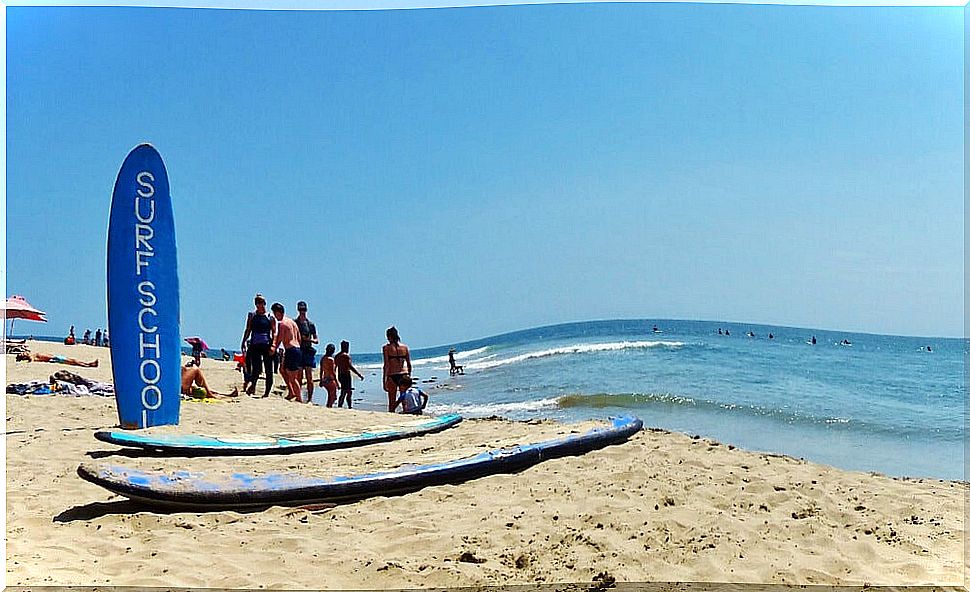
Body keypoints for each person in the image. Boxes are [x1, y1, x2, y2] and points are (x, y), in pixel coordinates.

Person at [241, 294, 277, 397]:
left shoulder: (270, 317)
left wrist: (273, 345)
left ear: (264, 304)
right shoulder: (252, 315)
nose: (259, 305)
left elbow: (274, 332)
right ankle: (253, 386)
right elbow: (248, 329)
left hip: (266, 344)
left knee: (268, 369)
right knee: (255, 368)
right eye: (257, 303)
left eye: (261, 302)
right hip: (255, 344)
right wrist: (243, 341)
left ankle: (266, 393)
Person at [271, 302, 304, 402]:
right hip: (296, 349)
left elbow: (279, 338)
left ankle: (299, 398)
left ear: (277, 313)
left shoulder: (282, 323)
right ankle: (291, 392)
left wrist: (273, 349)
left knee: (292, 377)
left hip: (292, 349)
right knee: (282, 370)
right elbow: (299, 338)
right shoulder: (292, 322)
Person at [382, 326, 412, 412]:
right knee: (404, 400)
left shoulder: (386, 348)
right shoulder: (405, 347)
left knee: (392, 400)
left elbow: (386, 365)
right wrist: (409, 376)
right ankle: (406, 414)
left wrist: (384, 379)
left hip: (392, 375)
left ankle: (392, 415)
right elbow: (409, 364)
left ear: (389, 336)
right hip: (404, 374)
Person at [294, 301, 319, 402]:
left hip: (308, 350)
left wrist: (309, 339)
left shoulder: (310, 324)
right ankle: (299, 397)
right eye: (300, 309)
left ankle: (310, 399)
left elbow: (316, 340)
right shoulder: (295, 323)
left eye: (303, 309)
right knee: (299, 376)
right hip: (299, 350)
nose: (302, 312)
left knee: (309, 376)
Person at [334, 340, 364, 409]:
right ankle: (349, 406)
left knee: (344, 391)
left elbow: (335, 367)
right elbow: (350, 367)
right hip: (346, 375)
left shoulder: (337, 356)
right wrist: (359, 374)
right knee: (348, 392)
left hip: (340, 375)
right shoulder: (346, 356)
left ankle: (340, 405)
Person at [318, 343, 338, 407]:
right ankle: (329, 406)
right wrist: (337, 382)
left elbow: (321, 370)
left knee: (330, 395)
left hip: (325, 379)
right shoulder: (331, 360)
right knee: (333, 396)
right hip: (330, 380)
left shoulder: (323, 358)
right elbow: (332, 372)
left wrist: (321, 380)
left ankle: (328, 406)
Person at [16, 352, 98, 367]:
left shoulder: (32, 354)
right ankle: (89, 365)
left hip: (54, 357)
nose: (23, 353)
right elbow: (31, 361)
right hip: (55, 359)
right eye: (22, 354)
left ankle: (89, 364)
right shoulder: (31, 357)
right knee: (73, 361)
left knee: (73, 361)